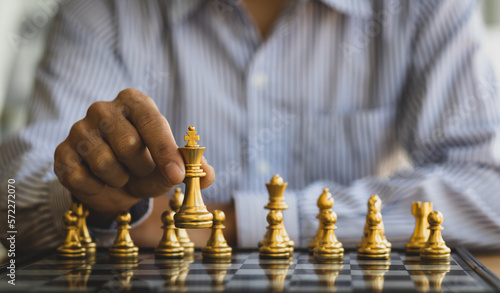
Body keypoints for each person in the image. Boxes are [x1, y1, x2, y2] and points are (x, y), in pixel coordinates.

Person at [1, 0, 500, 253]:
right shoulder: (103, 9)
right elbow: (9, 200)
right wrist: (94, 201)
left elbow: (490, 187)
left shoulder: (425, 8)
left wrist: (235, 220)